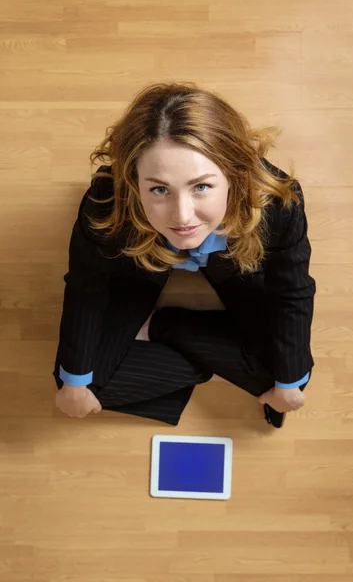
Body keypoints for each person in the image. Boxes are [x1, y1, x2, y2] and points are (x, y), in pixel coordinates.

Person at [53, 81, 316, 428]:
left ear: (234, 176)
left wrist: (287, 383)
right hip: (140, 265)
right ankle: (215, 364)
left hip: (237, 269)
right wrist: (73, 382)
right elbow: (86, 287)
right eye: (159, 189)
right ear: (134, 182)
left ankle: (165, 327)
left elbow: (292, 290)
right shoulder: (106, 201)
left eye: (201, 187)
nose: (181, 217)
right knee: (77, 386)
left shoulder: (279, 204)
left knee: (290, 380)